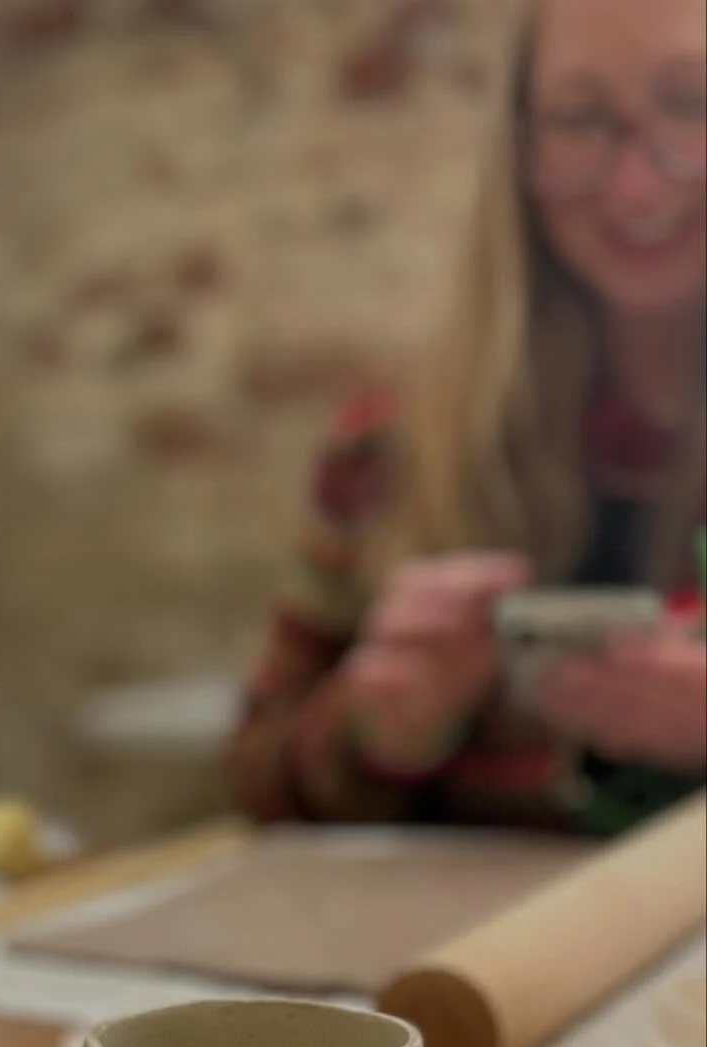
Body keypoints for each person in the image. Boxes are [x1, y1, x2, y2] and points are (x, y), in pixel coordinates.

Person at [226, 0, 706, 836]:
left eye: (693, 105)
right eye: (579, 120)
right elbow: (256, 781)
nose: (636, 184)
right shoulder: (388, 445)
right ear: (519, 148)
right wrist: (372, 726)